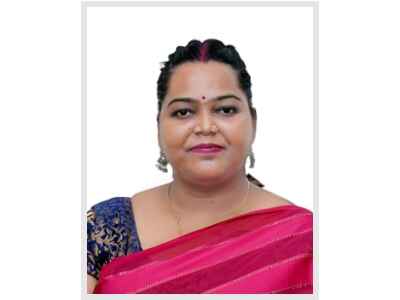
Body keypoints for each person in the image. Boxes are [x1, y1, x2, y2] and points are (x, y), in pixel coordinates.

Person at [86, 39, 313, 294]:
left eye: (225, 109)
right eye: (183, 112)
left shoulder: (302, 240)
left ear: (254, 123)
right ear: (159, 127)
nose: (205, 127)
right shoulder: (107, 225)